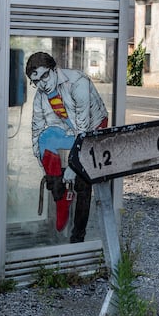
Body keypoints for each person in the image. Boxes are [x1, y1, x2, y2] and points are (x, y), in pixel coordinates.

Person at [25, 52, 108, 243]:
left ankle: (78, 236)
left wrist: (72, 167)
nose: (42, 84)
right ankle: (60, 195)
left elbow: (83, 128)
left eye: (44, 76)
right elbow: (37, 127)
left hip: (93, 128)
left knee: (83, 182)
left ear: (54, 70)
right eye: (36, 81)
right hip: (68, 128)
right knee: (45, 139)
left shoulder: (78, 82)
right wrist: (43, 163)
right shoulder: (41, 95)